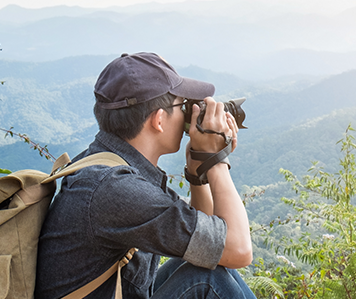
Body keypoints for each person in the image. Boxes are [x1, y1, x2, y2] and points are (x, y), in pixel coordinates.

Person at [35, 52, 255, 298]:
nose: (187, 115)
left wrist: (198, 172)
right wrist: (216, 162)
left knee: (204, 263)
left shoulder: (107, 163)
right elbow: (238, 250)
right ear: (159, 120)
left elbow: (210, 245)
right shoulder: (116, 189)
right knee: (208, 278)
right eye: (182, 106)